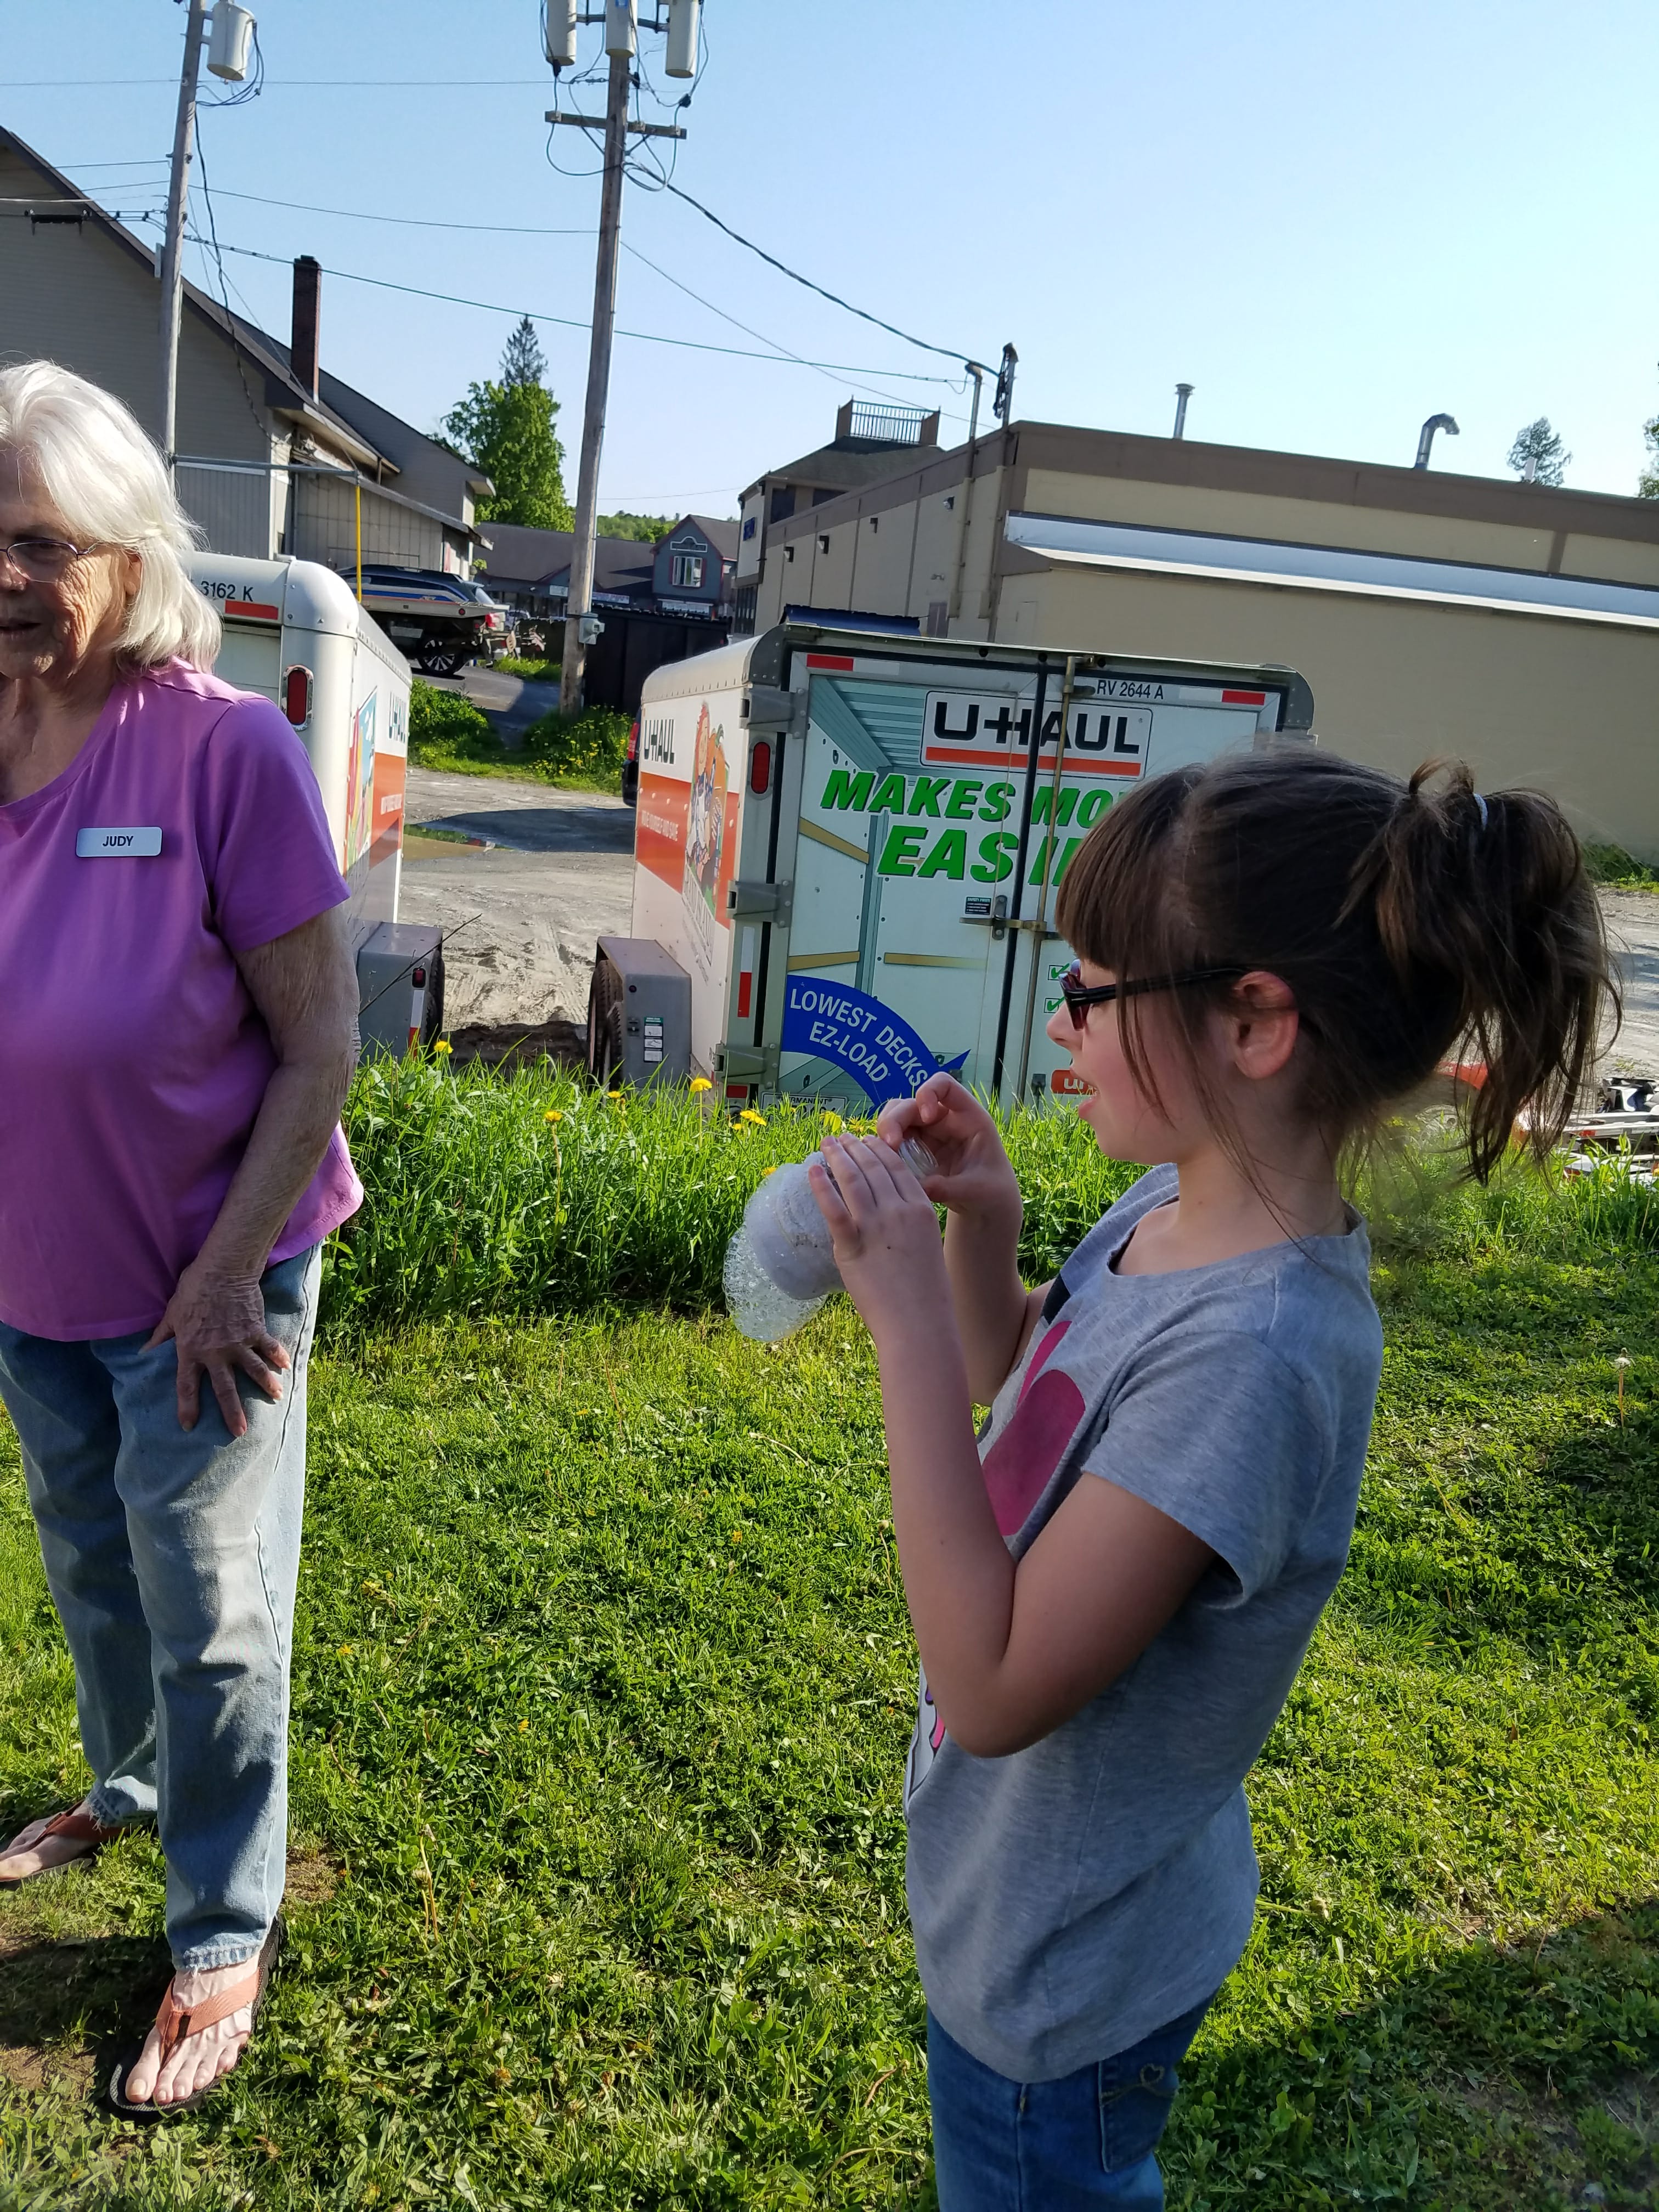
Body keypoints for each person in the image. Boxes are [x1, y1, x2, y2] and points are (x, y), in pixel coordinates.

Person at [808, 749, 1613, 2209]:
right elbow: (1024, 1384)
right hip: (1034, 1900)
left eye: (1094, 991)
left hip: (1066, 1974)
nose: (1062, 1019)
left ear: (1253, 1023)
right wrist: (983, 1227)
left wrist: (901, 1324)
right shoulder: (1167, 1208)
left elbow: (992, 1687)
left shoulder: (1259, 1351)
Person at [0, 361, 363, 2116]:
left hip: (211, 1270)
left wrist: (227, 1276)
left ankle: (224, 1919)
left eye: (36, 543)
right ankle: (133, 1787)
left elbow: (323, 1044)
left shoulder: (225, 750)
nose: (2, 577)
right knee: (91, 1558)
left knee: (210, 1604)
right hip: (36, 1262)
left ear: (128, 555)